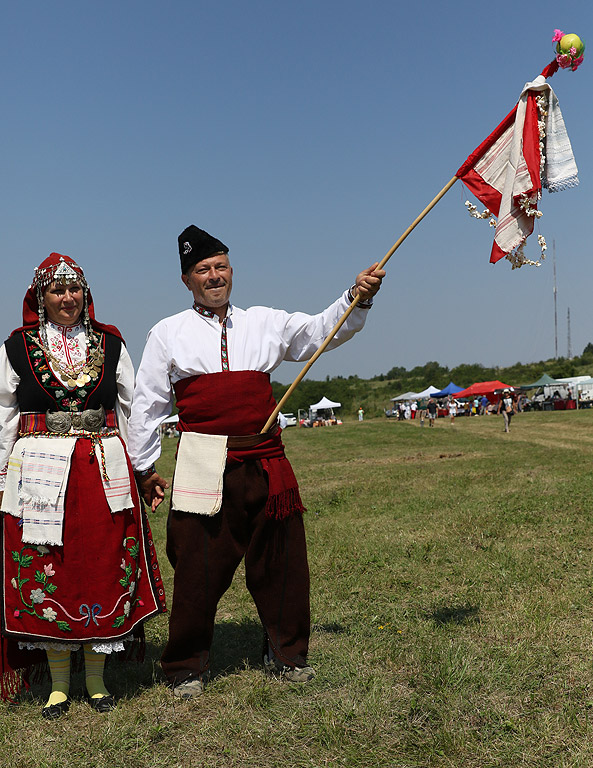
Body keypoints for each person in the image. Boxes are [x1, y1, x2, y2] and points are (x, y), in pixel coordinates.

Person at [128, 225, 384, 698]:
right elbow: (147, 404)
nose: (214, 275)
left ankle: (287, 652)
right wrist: (144, 468)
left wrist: (356, 295)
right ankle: (185, 665)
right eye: (203, 270)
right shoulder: (167, 334)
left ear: (232, 270)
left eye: (221, 266)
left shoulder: (264, 321)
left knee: (281, 560)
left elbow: (317, 333)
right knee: (198, 566)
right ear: (187, 280)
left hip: (266, 457)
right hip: (203, 457)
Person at [0, 253, 166, 718]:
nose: (67, 298)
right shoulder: (17, 347)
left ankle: (95, 680)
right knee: (51, 564)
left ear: (85, 293)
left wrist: (144, 469)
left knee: (99, 562)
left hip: (101, 470)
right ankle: (57, 684)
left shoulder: (111, 344)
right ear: (41, 297)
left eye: (74, 289)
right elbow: (3, 415)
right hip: (38, 473)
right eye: (56, 290)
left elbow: (134, 411)